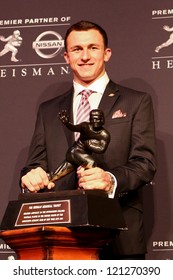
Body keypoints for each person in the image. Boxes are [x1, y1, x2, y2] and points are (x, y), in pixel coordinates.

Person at [20, 20, 157, 260]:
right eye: (76, 49)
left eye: (93, 48)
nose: (85, 56)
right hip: (59, 234)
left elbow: (144, 163)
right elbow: (36, 163)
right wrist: (31, 175)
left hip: (118, 233)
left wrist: (109, 180)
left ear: (106, 54)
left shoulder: (136, 101)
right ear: (66, 56)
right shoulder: (48, 109)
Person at [49, 109, 110, 183]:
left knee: (59, 172)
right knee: (92, 163)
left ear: (102, 120)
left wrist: (89, 145)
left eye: (97, 119)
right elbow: (74, 128)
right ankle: (87, 186)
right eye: (93, 119)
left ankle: (49, 179)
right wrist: (67, 123)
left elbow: (101, 149)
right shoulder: (85, 126)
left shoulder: (104, 134)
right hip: (74, 152)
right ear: (90, 119)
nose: (95, 121)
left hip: (80, 156)